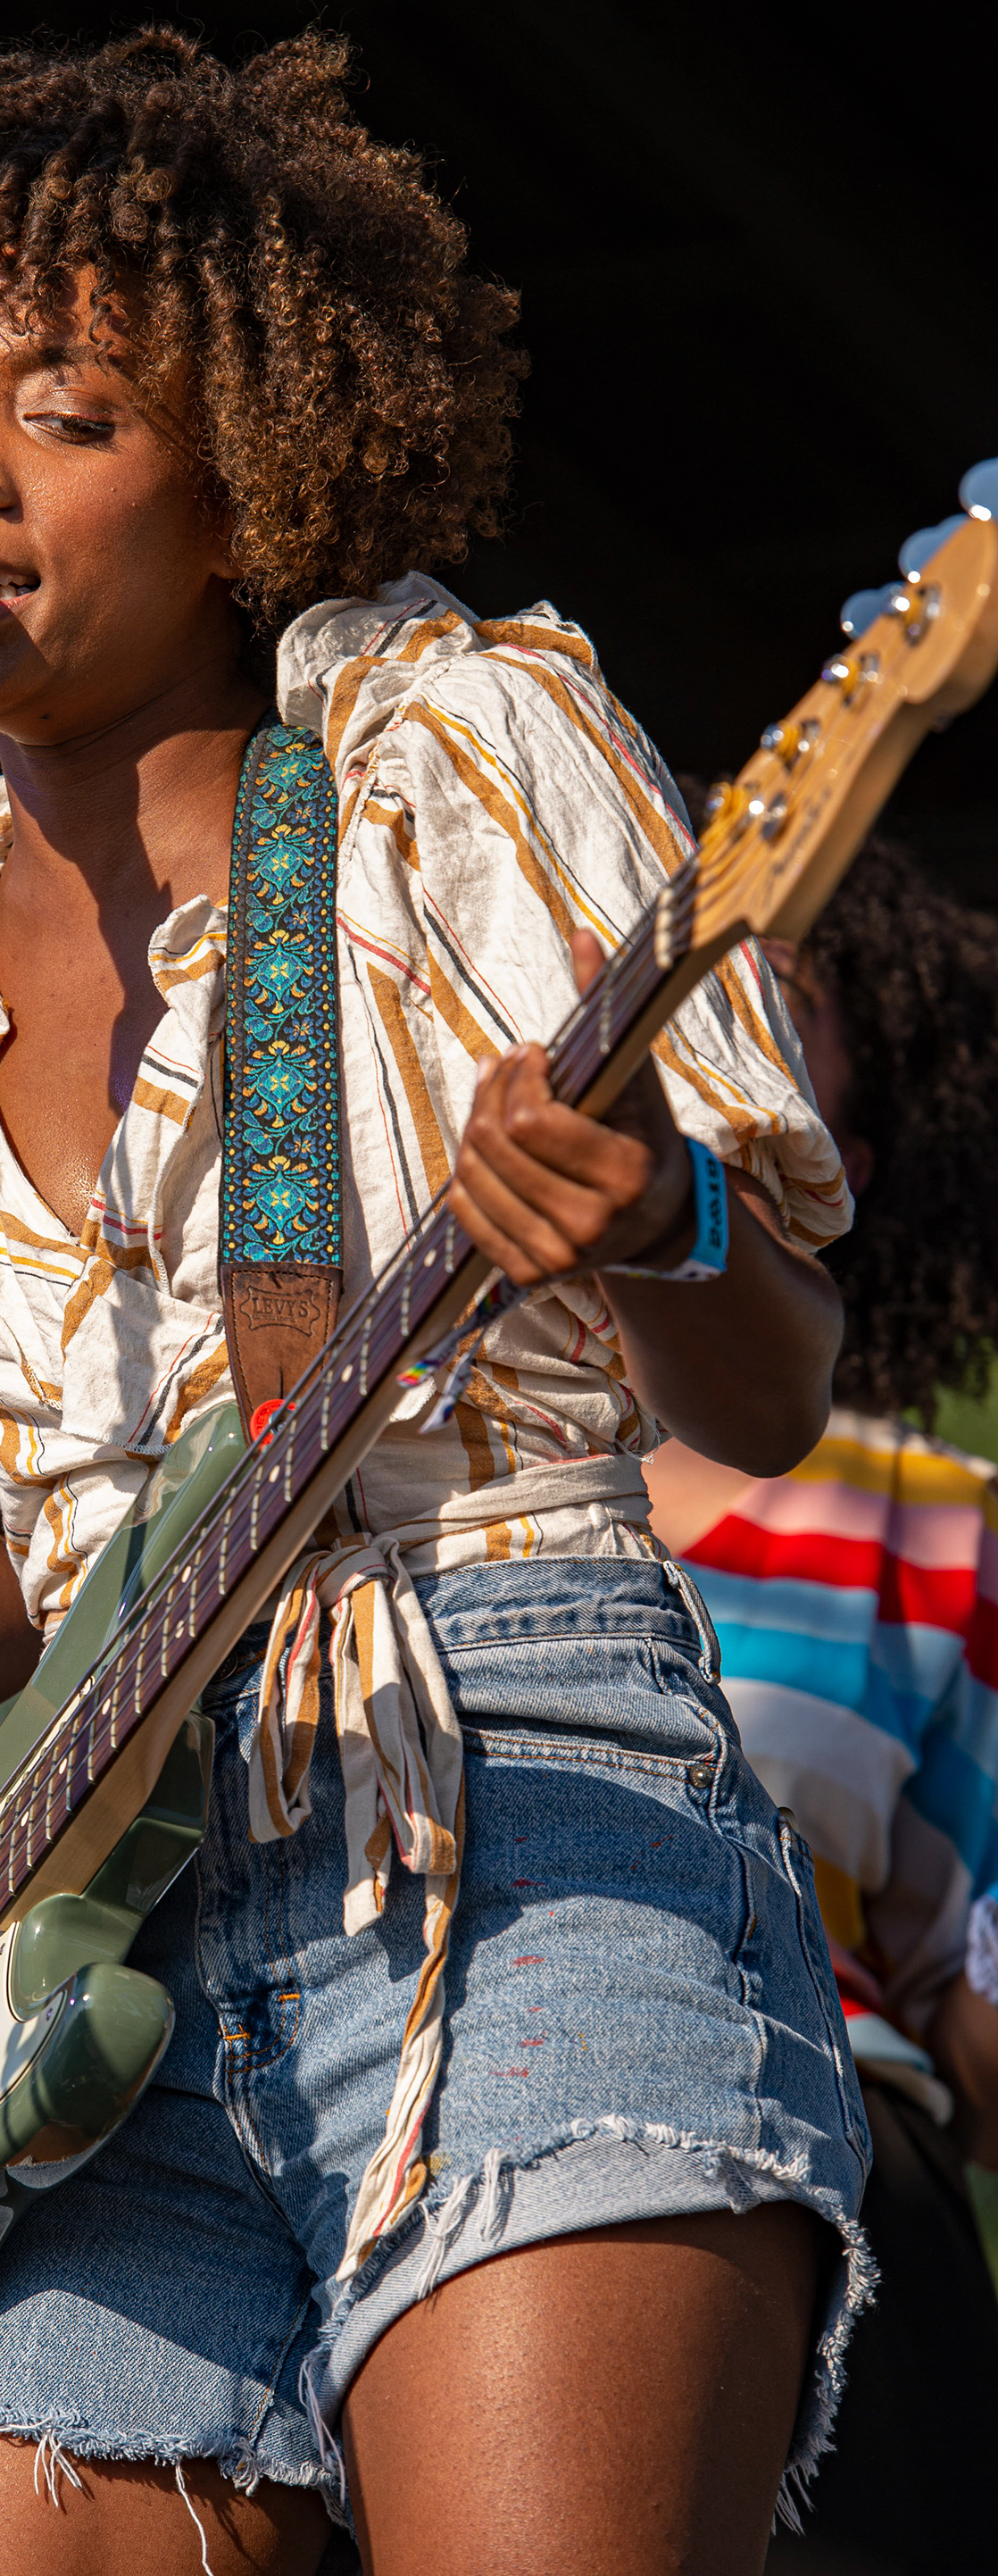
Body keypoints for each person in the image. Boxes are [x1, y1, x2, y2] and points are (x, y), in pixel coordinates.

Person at [0, 34, 869, 2574]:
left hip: (519, 1812)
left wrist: (658, 1217)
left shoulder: (441, 754)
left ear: (247, 490)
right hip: (72, 1943)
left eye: (64, 414)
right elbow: (12, 1545)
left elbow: (776, 1377)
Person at [645, 832, 998, 2574]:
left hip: (828, 2184)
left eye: (772, 1014)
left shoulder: (935, 1519)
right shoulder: (383, 1465)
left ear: (840, 1165)